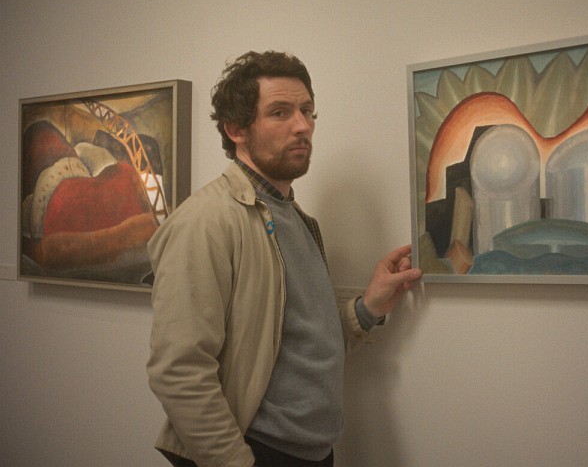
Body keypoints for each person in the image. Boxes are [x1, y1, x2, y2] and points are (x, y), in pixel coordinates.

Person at [146, 50, 423, 467]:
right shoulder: (206, 222)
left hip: (313, 452)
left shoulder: (297, 219)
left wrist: (369, 307)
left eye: (307, 111)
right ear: (236, 129)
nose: (302, 126)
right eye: (280, 112)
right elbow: (178, 371)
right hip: (255, 451)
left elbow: (297, 342)